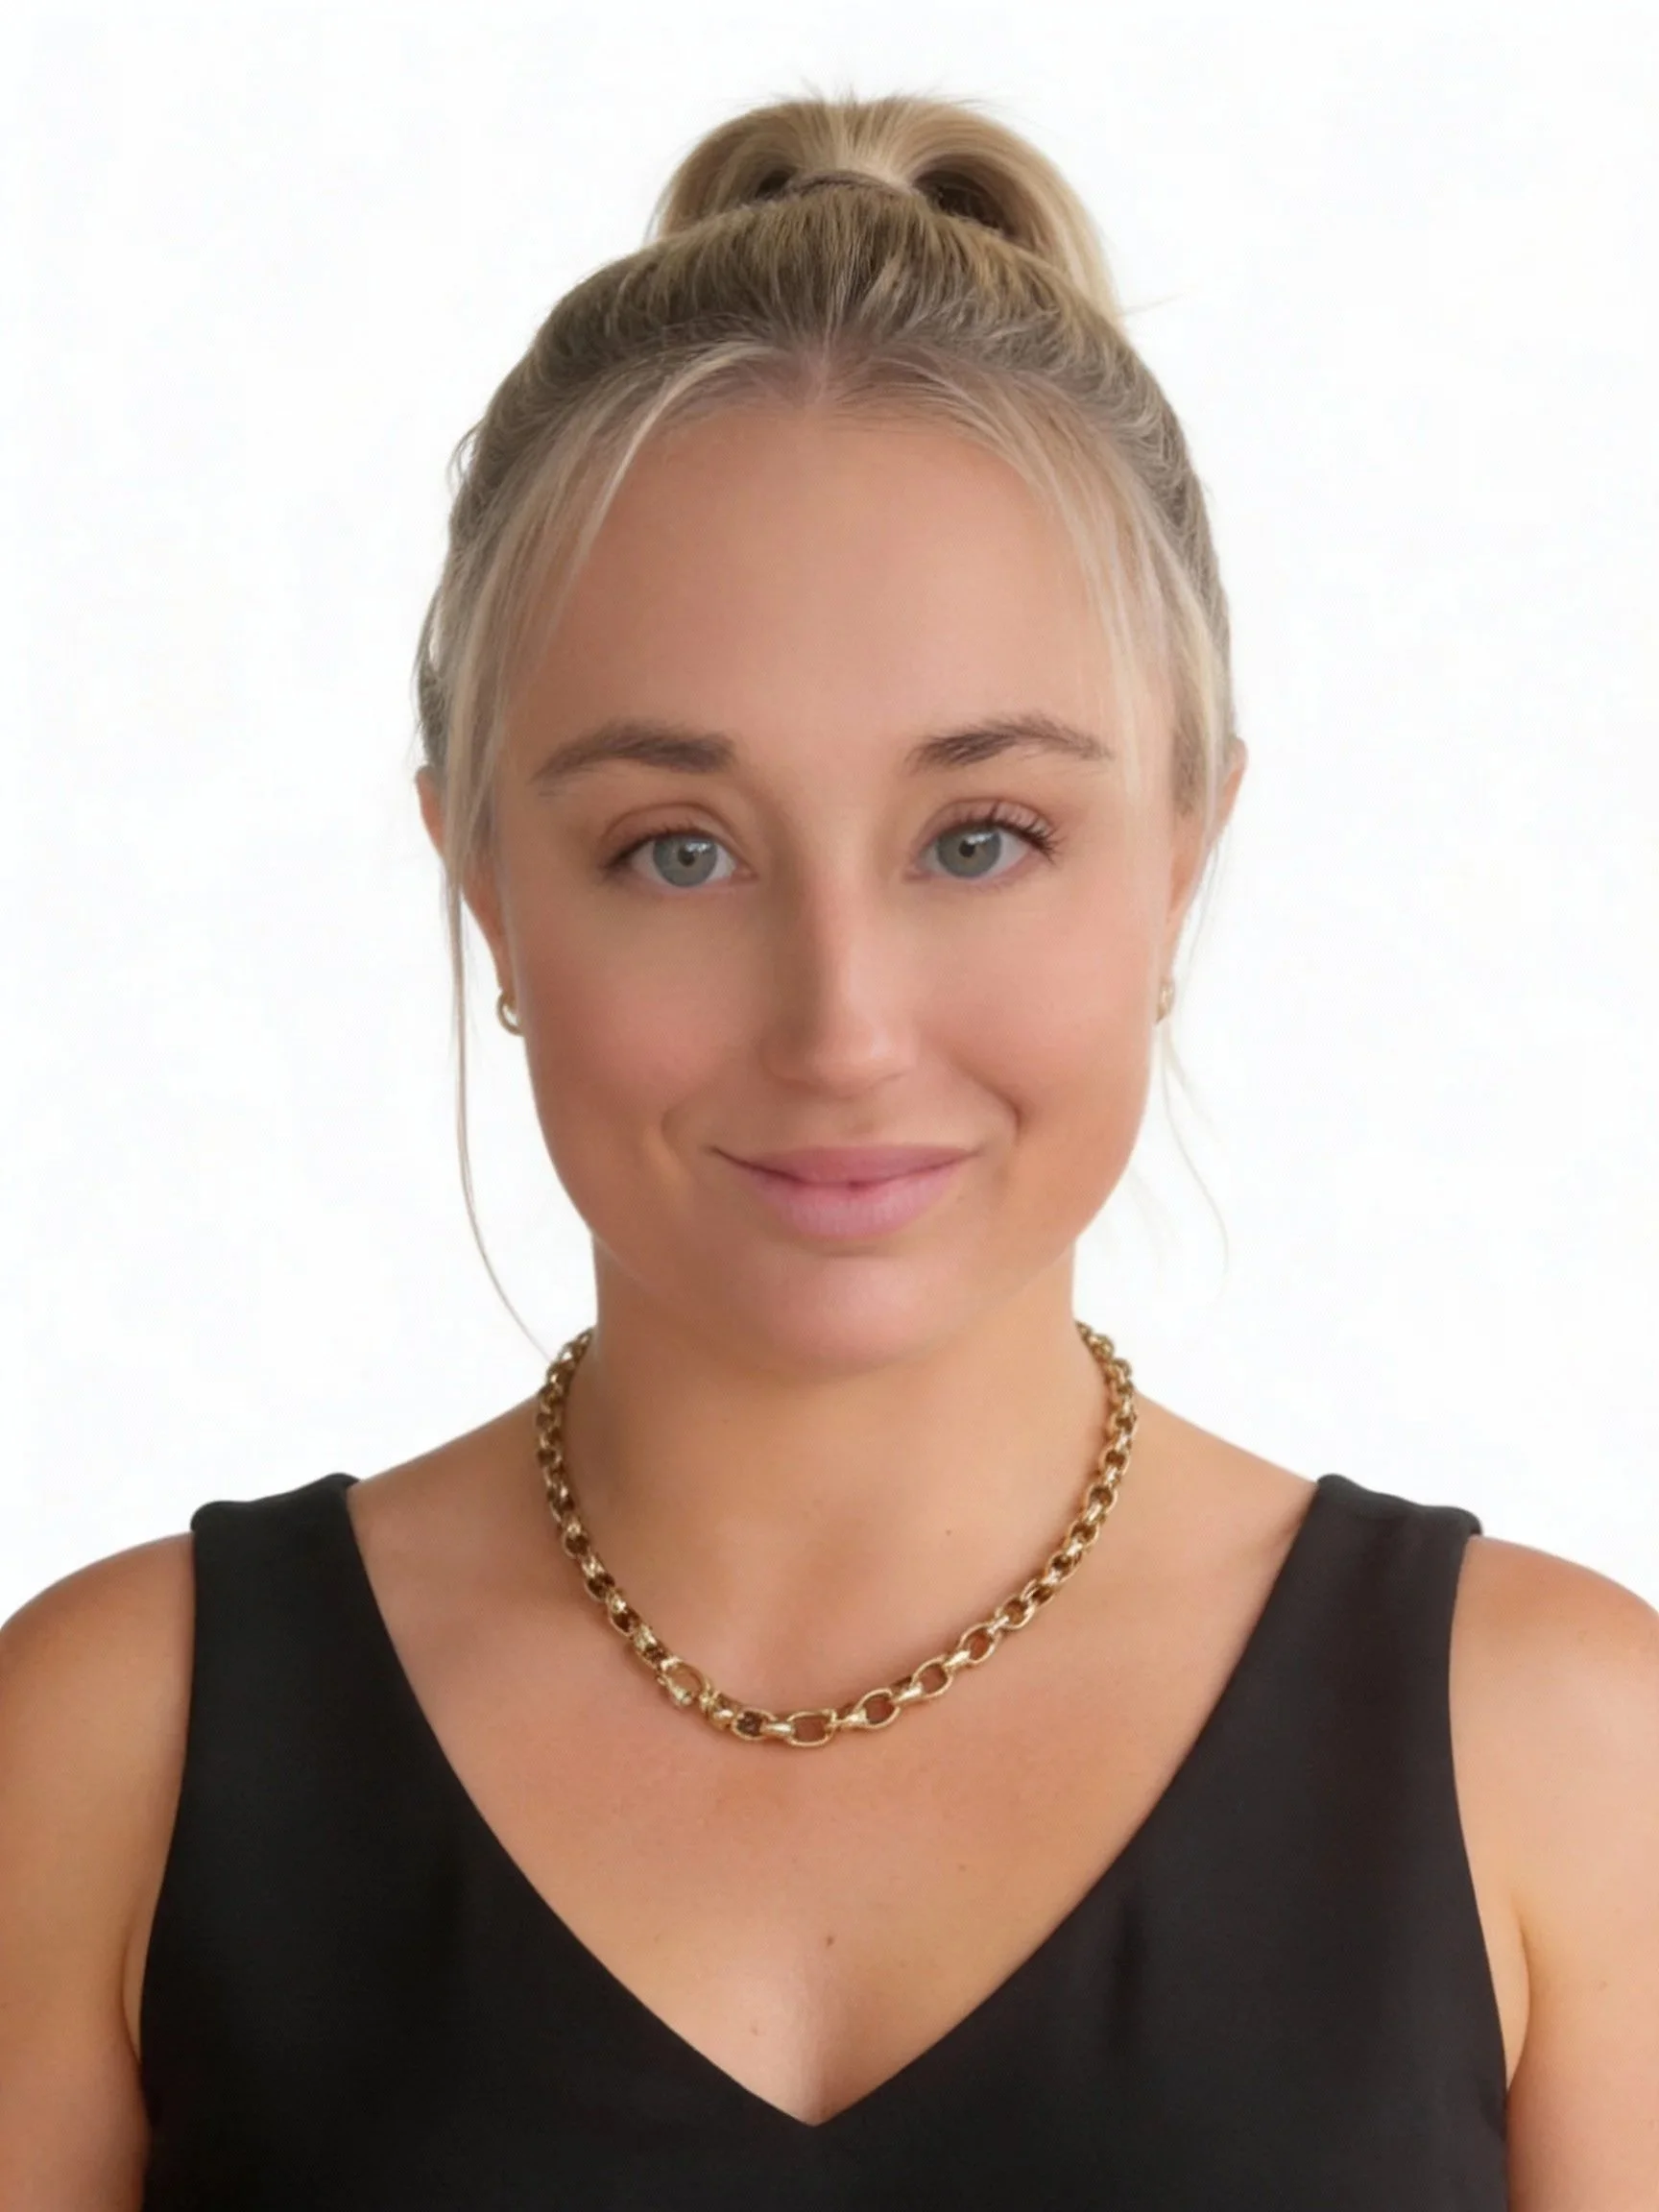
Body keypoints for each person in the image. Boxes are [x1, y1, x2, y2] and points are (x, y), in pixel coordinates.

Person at [2, 87, 1655, 2212]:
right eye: (675, 849)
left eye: (982, 839)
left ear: (1182, 857)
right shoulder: (110, 1754)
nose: (844, 1026)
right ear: (487, 886)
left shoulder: (1553, 1754)